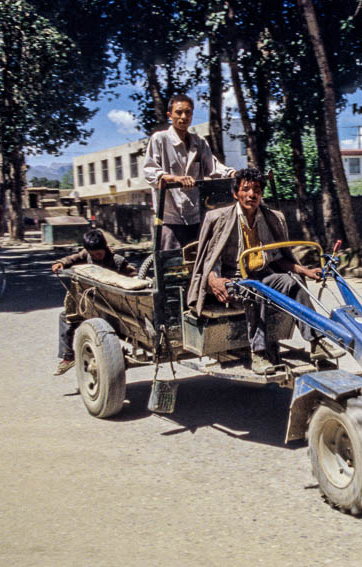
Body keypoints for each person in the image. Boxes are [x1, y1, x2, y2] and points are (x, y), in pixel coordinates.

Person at [187, 168, 332, 374]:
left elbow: (280, 258)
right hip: (234, 278)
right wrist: (213, 280)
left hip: (263, 274)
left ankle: (317, 341)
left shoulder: (272, 218)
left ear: (261, 194)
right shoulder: (219, 219)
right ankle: (259, 353)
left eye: (256, 189)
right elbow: (210, 261)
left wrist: (304, 271)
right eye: (245, 189)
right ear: (236, 193)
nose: (251, 194)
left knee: (294, 282)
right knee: (257, 289)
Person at [143, 94, 236, 250]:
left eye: (188, 112)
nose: (184, 117)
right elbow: (150, 171)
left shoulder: (199, 142)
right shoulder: (159, 139)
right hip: (170, 218)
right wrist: (173, 178)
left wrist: (233, 174)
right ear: (169, 115)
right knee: (172, 266)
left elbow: (213, 167)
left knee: (199, 261)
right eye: (179, 112)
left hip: (195, 215)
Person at [51, 229, 137, 376]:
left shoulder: (117, 261)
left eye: (99, 253)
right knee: (65, 317)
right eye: (93, 254)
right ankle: (68, 356)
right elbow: (73, 258)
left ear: (105, 248)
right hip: (92, 303)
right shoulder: (86, 255)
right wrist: (61, 263)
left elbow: (134, 275)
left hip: (113, 306)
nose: (96, 256)